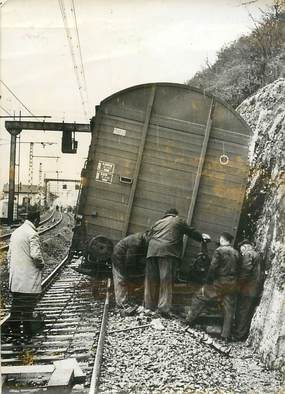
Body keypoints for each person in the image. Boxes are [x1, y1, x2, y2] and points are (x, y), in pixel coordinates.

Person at [144, 208, 210, 317]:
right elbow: (191, 231)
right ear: (175, 214)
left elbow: (147, 237)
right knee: (166, 281)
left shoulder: (158, 222)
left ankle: (148, 307)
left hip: (151, 252)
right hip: (168, 252)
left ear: (166, 214)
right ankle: (163, 309)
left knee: (151, 280)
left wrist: (152, 249)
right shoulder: (177, 220)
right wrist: (202, 237)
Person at [186, 232, 239, 341]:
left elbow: (213, 267)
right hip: (232, 283)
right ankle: (225, 336)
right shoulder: (236, 253)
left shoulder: (219, 250)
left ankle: (188, 321)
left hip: (219, 282)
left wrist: (208, 281)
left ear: (222, 239)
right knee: (229, 309)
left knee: (199, 297)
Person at [7, 211, 44, 341]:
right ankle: (28, 332)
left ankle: (15, 331)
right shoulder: (32, 234)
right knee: (28, 305)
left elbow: (9, 255)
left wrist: (11, 270)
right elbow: (35, 255)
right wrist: (41, 264)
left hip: (16, 276)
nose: (38, 223)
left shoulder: (16, 232)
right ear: (36, 220)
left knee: (16, 304)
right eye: (38, 221)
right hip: (28, 277)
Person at [234, 240, 264, 341]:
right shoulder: (258, 255)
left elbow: (245, 271)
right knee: (247, 312)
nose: (241, 251)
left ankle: (239, 335)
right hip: (256, 289)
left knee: (242, 311)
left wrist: (238, 285)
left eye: (241, 249)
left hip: (247, 289)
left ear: (245, 246)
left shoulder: (248, 254)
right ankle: (243, 333)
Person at [112, 232, 148, 311]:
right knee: (121, 280)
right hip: (119, 257)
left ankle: (125, 300)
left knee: (124, 280)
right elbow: (130, 260)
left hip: (124, 257)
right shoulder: (136, 242)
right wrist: (131, 275)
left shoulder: (141, 240)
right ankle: (121, 304)